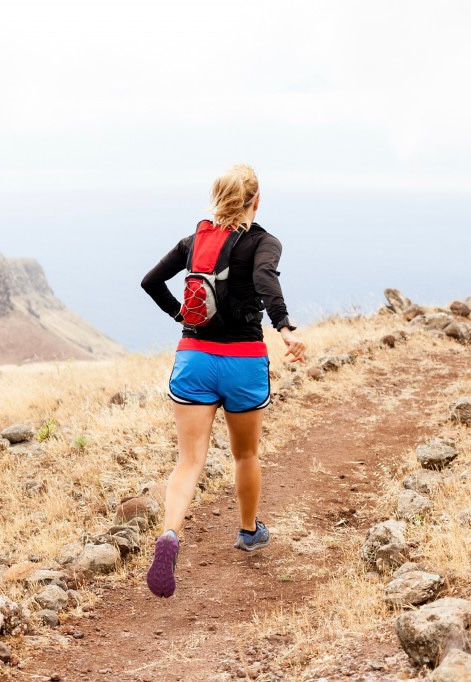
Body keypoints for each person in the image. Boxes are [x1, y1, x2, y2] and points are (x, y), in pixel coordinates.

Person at [139, 163, 306, 598]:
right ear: (256, 200)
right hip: (243, 363)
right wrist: (285, 328)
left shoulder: (195, 241)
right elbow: (265, 279)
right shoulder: (265, 242)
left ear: (217, 198)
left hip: (194, 358)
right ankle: (249, 531)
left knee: (189, 461)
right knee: (245, 454)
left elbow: (150, 281)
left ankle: (170, 535)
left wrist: (180, 315)